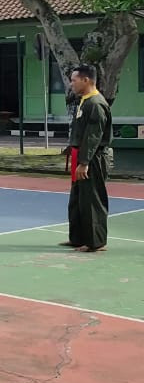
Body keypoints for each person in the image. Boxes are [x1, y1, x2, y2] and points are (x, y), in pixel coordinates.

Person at [61, 64, 112, 252]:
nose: (71, 83)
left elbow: (93, 136)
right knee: (77, 199)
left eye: (74, 80)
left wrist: (84, 162)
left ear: (86, 80)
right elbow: (82, 131)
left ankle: (95, 242)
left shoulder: (96, 104)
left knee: (92, 200)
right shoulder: (84, 100)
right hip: (80, 156)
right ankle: (78, 237)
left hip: (92, 159)